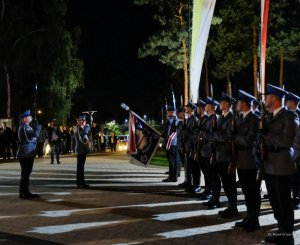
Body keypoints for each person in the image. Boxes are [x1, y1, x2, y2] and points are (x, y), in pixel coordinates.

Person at [263, 84, 299, 244]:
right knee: (274, 200)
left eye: (267, 97)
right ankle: (281, 229)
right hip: (270, 164)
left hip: (283, 164)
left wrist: (265, 135)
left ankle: (287, 235)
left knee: (284, 201)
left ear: (275, 99)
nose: (264, 99)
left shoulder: (290, 116)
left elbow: (287, 140)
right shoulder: (269, 116)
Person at [234, 90, 261, 232]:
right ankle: (249, 216)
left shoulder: (255, 119)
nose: (237, 105)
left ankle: (255, 220)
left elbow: (250, 139)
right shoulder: (239, 118)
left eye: (239, 102)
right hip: (241, 160)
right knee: (245, 190)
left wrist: (235, 138)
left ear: (244, 104)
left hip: (251, 161)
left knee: (253, 191)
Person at [213, 92, 239, 219]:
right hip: (220, 155)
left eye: (221, 102)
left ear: (227, 105)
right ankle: (230, 206)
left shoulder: (231, 118)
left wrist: (215, 134)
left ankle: (233, 207)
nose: (219, 104)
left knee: (230, 183)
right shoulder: (222, 118)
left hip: (227, 155)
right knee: (225, 182)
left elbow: (228, 137)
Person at [17, 110, 41, 199]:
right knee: (25, 174)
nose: (31, 117)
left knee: (27, 173)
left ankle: (26, 192)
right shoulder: (24, 127)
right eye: (29, 116)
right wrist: (38, 127)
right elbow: (36, 135)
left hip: (28, 153)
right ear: (24, 119)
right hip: (25, 153)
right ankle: (23, 193)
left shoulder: (27, 127)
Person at [285, 91, 300, 210]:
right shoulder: (286, 114)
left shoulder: (298, 114)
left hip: (297, 151)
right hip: (288, 151)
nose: (286, 103)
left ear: (293, 103)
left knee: (297, 177)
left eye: (288, 101)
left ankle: (297, 198)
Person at [162, 105, 179, 182]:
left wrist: (162, 136)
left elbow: (166, 133)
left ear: (172, 112)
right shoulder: (178, 120)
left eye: (168, 111)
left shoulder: (169, 121)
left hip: (170, 143)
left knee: (171, 161)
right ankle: (174, 177)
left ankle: (171, 177)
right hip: (176, 143)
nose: (167, 113)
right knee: (175, 161)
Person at [74, 115, 91, 188]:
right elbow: (83, 139)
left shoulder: (80, 128)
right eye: (82, 120)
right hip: (80, 150)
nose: (83, 122)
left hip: (82, 150)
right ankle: (80, 183)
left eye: (82, 120)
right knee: (80, 167)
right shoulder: (78, 129)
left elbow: (88, 127)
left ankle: (81, 182)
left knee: (81, 167)